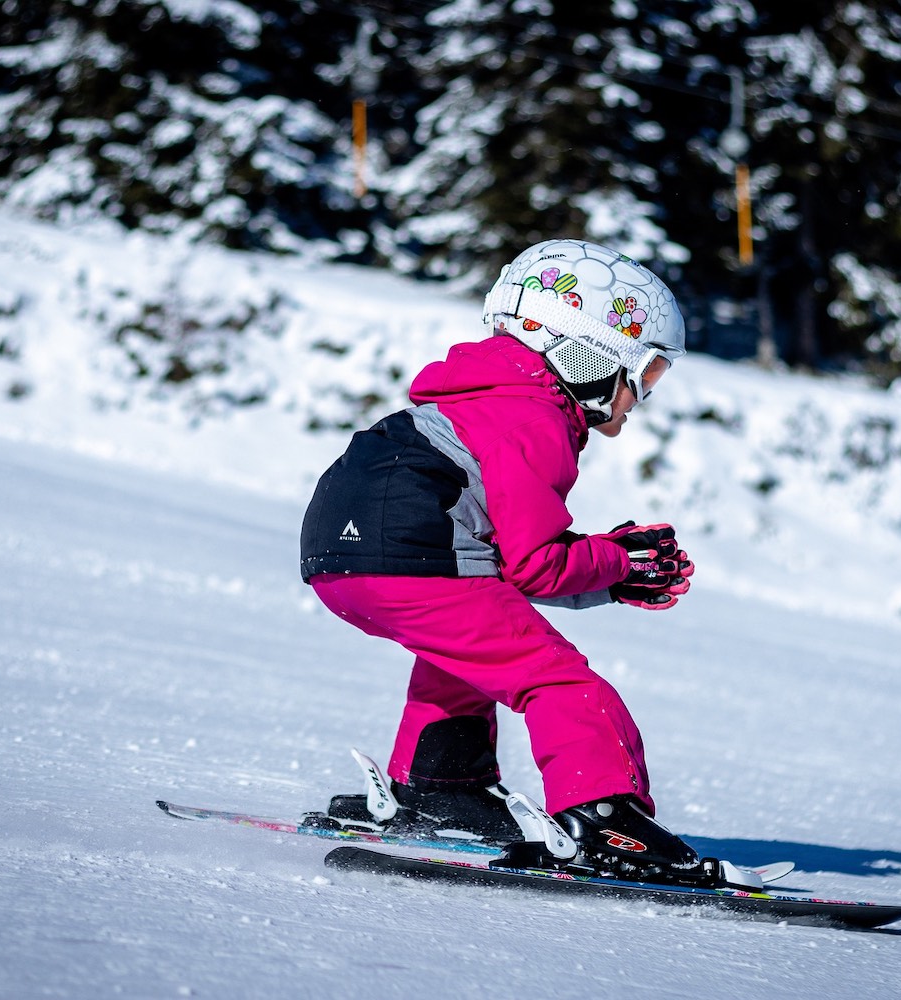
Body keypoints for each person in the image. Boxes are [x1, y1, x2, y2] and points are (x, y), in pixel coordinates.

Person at [299, 239, 733, 887]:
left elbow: (505, 561)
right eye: (644, 377)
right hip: (414, 558)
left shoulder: (477, 400)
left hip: (341, 559)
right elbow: (536, 566)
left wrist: (609, 572)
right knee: (560, 684)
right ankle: (606, 823)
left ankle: (446, 789)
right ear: (588, 353)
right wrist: (617, 562)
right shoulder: (534, 418)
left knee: (467, 654)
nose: (636, 402)